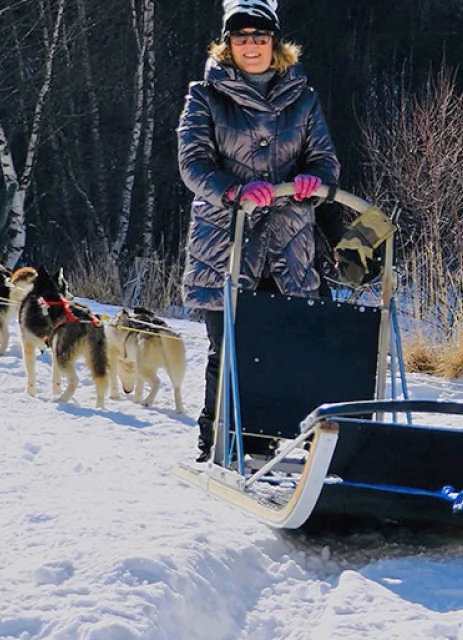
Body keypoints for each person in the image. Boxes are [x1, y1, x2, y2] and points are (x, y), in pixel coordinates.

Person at [178, 0, 337, 463]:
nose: (252, 45)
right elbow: (193, 164)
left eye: (260, 37)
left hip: (289, 241)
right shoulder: (205, 95)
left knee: (294, 345)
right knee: (227, 349)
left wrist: (316, 182)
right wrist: (235, 192)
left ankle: (285, 445)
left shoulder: (303, 96)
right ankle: (217, 447)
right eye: (241, 37)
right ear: (228, 44)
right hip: (225, 242)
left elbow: (324, 158)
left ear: (275, 43)